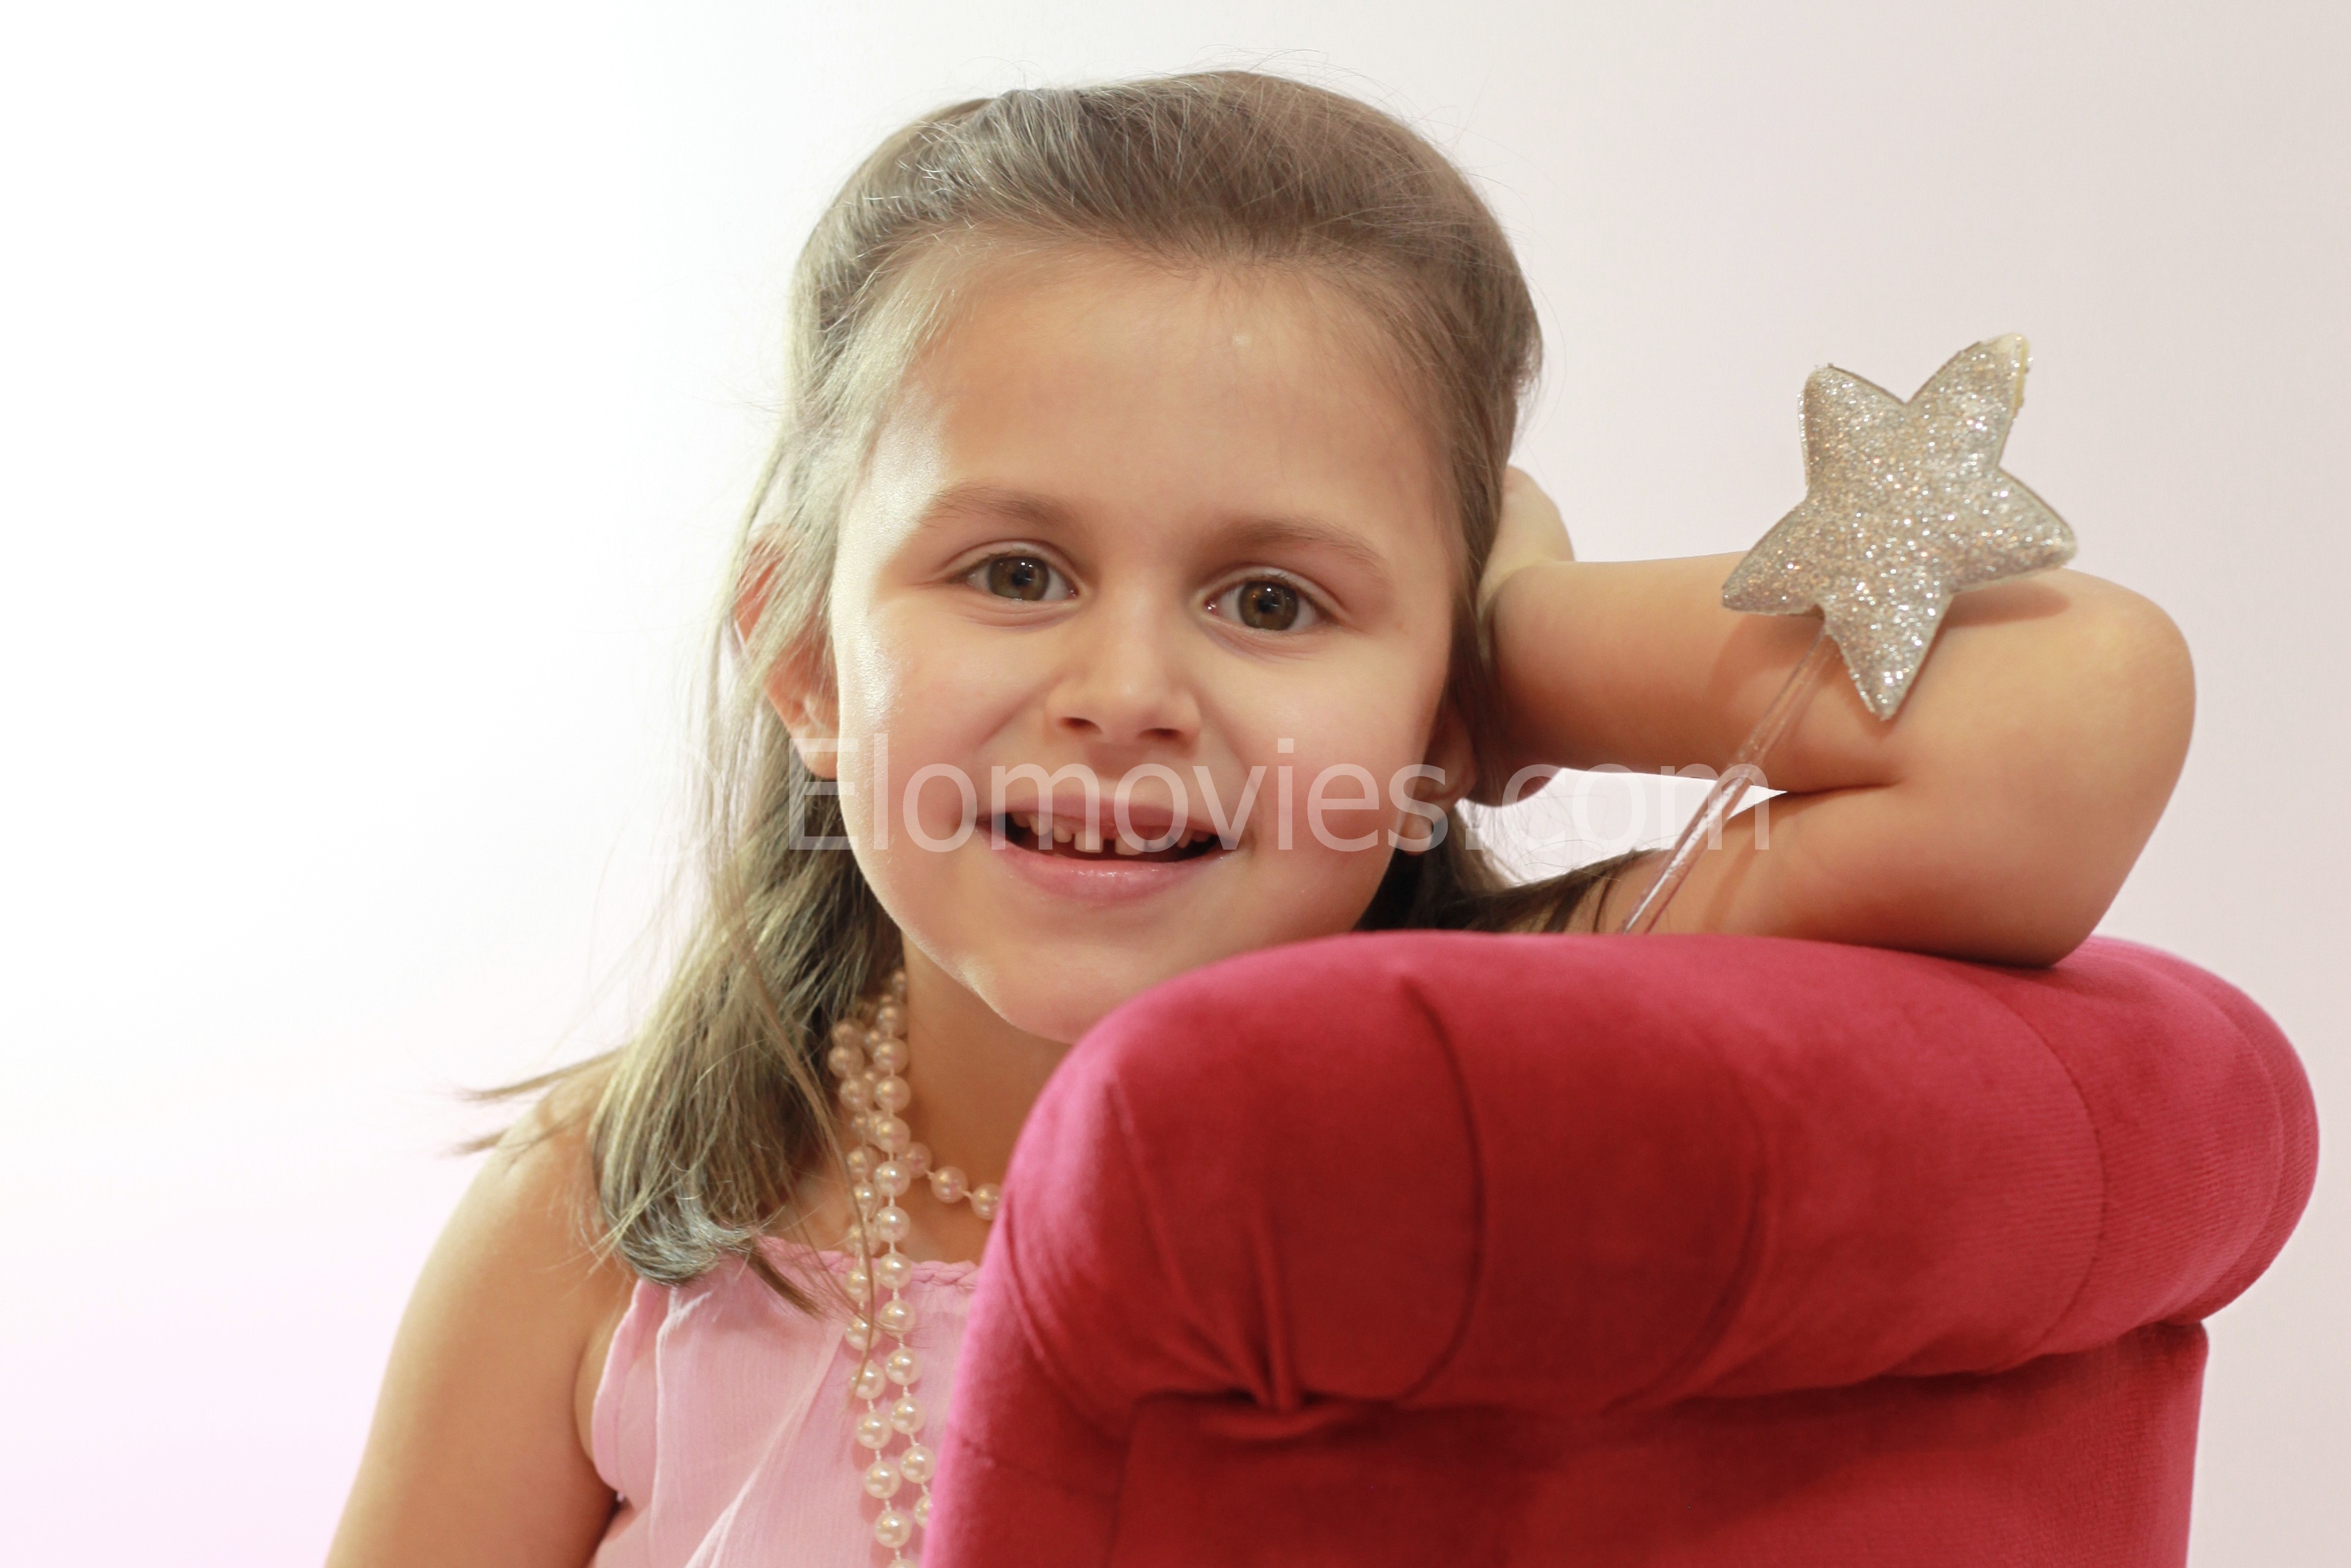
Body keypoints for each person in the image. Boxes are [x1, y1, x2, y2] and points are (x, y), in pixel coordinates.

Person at [325, 71, 2192, 1568]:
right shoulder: (610, 1222)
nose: (1126, 688)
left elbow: (2066, 718)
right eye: (1015, 570)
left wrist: (1514, 644)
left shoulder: (1532, 1053)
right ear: (806, 657)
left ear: (1441, 706)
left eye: (1273, 601)